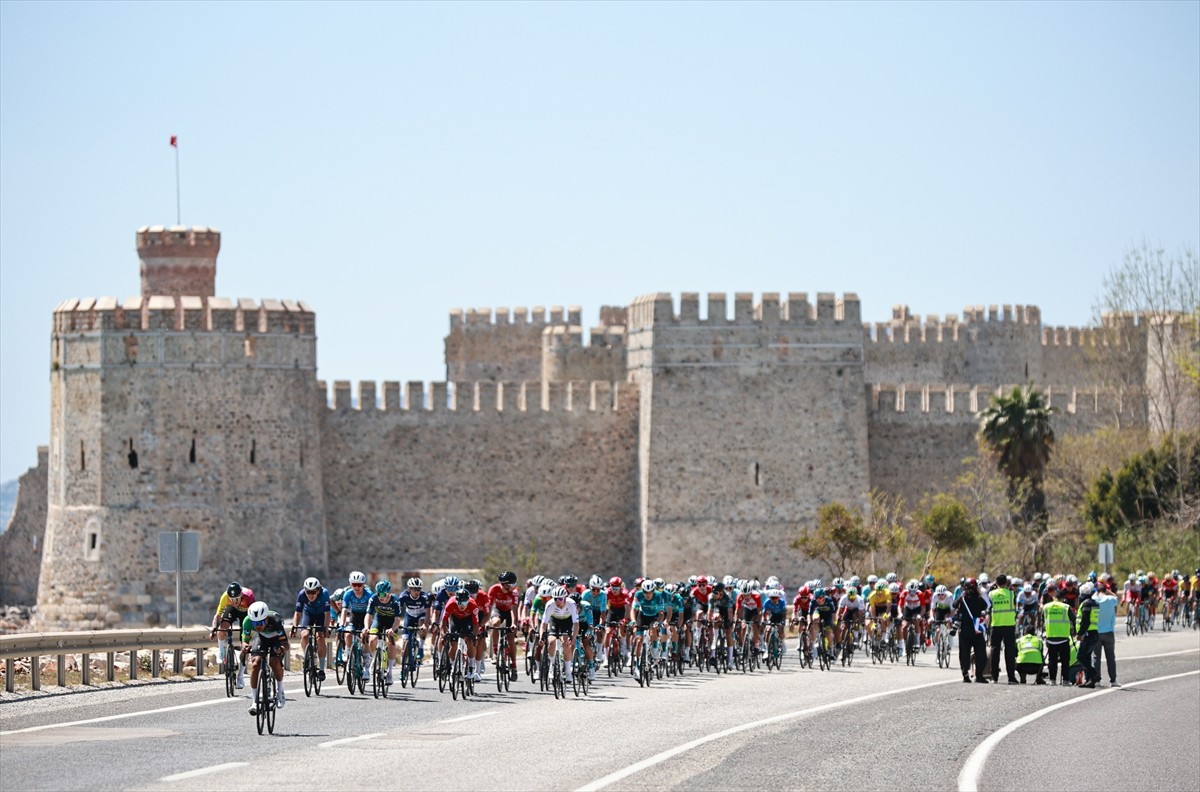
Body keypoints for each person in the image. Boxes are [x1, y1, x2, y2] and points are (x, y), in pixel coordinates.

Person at [242, 601, 289, 715]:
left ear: (267, 619)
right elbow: (245, 641)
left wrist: (281, 649)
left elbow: (286, 645)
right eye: (255, 623)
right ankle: (254, 702)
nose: (258, 626)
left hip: (275, 639)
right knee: (255, 664)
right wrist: (246, 647)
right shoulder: (247, 621)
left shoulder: (276, 621)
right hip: (261, 638)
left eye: (261, 622)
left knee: (274, 662)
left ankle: (280, 691)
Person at [210, 581, 255, 689]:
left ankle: (240, 676)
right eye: (232, 599)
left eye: (237, 599)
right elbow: (218, 616)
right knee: (222, 627)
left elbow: (254, 615)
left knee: (245, 645)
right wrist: (213, 629)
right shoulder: (225, 596)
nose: (234, 601)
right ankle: (221, 652)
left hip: (246, 613)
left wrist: (249, 633)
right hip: (232, 611)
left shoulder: (249, 596)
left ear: (241, 595)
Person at [292, 576, 330, 681]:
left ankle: (321, 669)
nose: (310, 595)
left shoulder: (324, 594)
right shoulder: (301, 594)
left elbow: (327, 614)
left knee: (320, 636)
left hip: (321, 615)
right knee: (304, 635)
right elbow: (298, 613)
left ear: (318, 590)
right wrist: (295, 626)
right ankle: (307, 656)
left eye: (313, 592)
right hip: (308, 614)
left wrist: (326, 628)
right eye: (308, 592)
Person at [955, 578, 989, 683]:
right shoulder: (979, 599)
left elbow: (954, 605)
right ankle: (979, 675)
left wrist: (962, 596)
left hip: (965, 629)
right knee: (980, 652)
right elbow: (985, 605)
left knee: (964, 653)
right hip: (977, 627)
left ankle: (965, 674)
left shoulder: (963, 599)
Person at [987, 574, 1018, 684]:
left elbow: (988, 603)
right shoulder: (1011, 594)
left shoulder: (991, 594)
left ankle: (994, 677)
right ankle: (1011, 678)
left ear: (996, 582)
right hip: (1009, 624)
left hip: (996, 625)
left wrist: (992, 586)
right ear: (1006, 582)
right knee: (1009, 652)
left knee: (995, 651)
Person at [1041, 587, 1073, 685]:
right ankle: (1066, 680)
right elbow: (1074, 620)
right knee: (1065, 660)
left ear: (1054, 597)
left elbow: (1043, 620)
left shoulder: (1046, 607)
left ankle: (1052, 680)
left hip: (1050, 637)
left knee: (1052, 660)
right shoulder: (1066, 607)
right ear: (1063, 598)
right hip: (1063, 637)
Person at [1092, 580, 1119, 686]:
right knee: (1111, 657)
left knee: (1096, 657)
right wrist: (1109, 591)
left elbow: (1093, 596)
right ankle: (1113, 680)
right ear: (1105, 590)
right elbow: (1117, 597)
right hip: (1109, 632)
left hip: (1096, 632)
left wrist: (1097, 591)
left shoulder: (1094, 599)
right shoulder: (1111, 599)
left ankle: (1097, 680)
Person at [1074, 582, 1101, 688]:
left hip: (1087, 633)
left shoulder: (1086, 604)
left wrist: (1080, 633)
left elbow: (1085, 621)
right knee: (1087, 657)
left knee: (1080, 656)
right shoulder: (1095, 603)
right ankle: (1090, 681)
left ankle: (1094, 675)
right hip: (1094, 633)